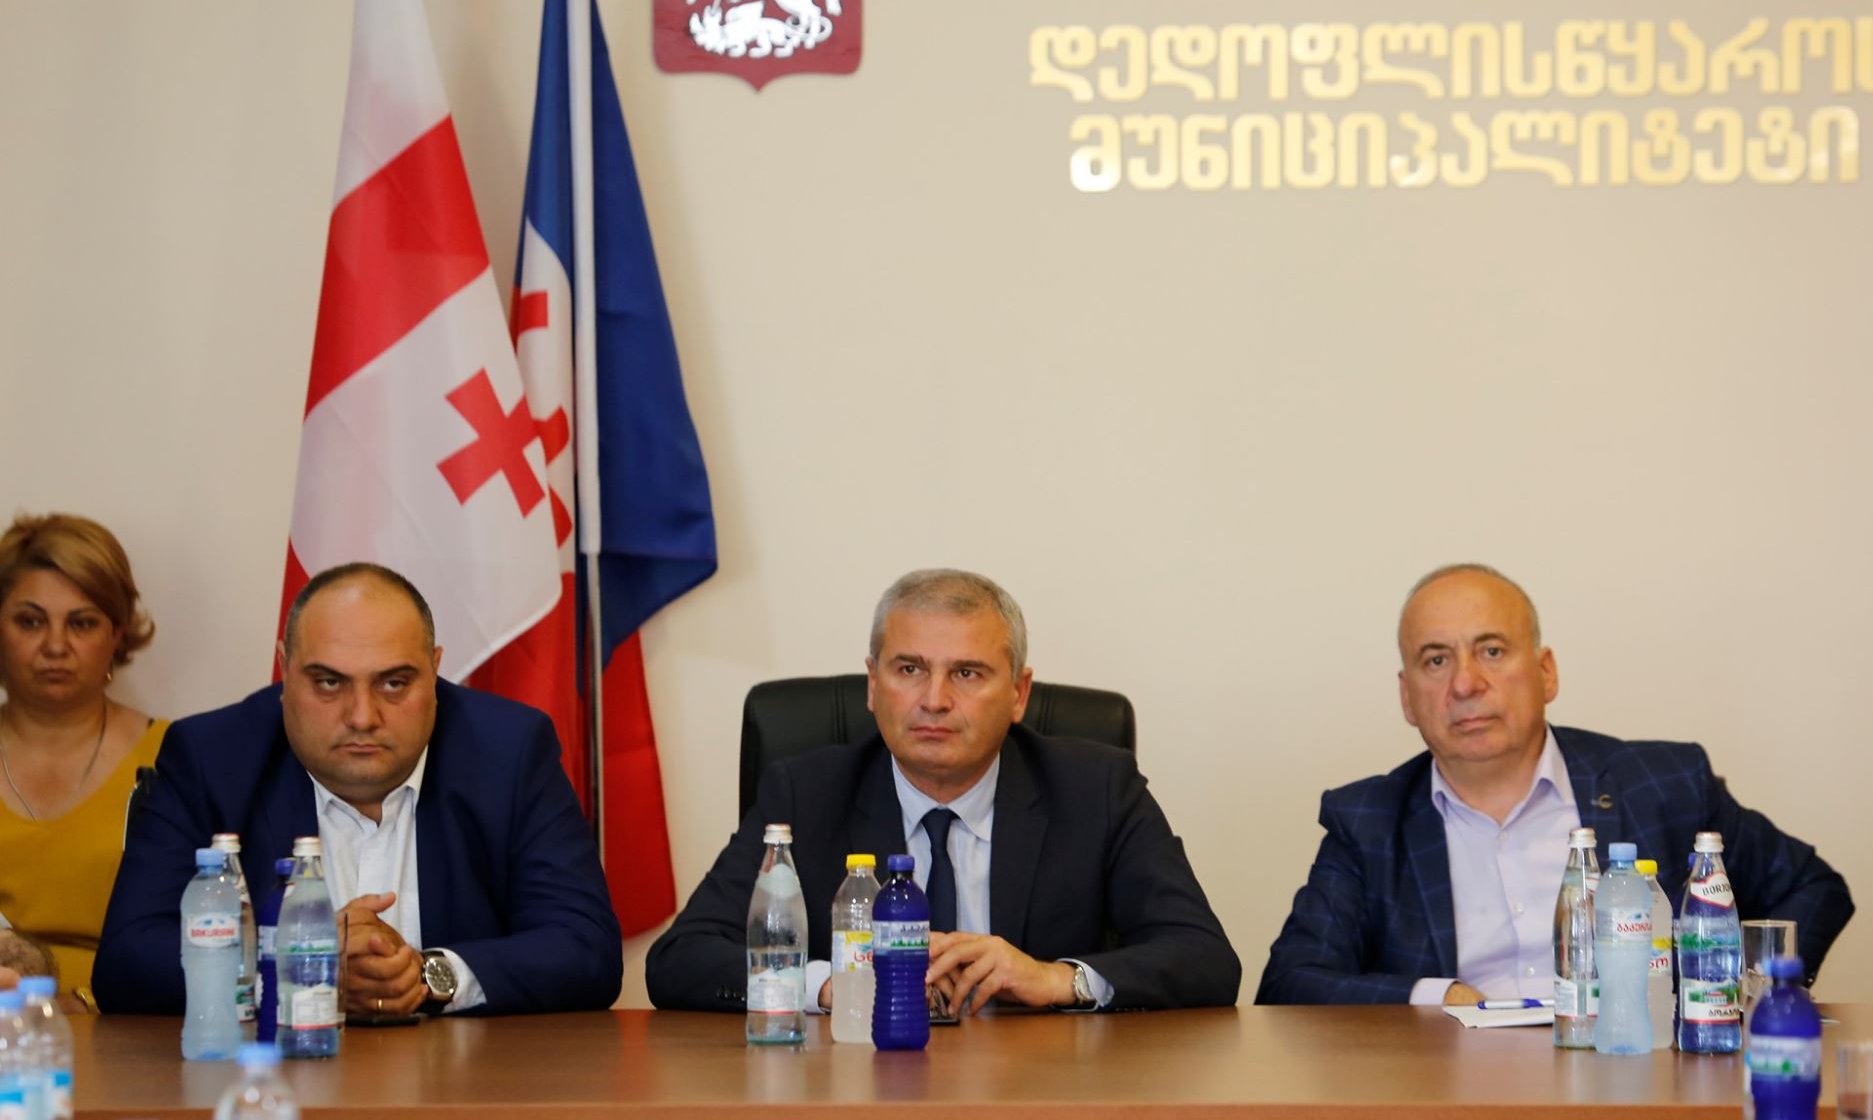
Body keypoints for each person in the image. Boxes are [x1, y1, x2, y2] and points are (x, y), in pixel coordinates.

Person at [1258, 563, 1854, 1006]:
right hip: (1455, 1097)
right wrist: (1438, 998)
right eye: (1436, 660)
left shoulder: (1664, 785)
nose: (1465, 684)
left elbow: (1813, 888)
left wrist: (1743, 991)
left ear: (1546, 673)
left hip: (1641, 1088)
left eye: (1492, 651)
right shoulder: (1370, 821)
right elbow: (1291, 981)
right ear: (1407, 697)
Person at [648, 568, 1239, 1014]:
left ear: (1019, 694)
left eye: (966, 673)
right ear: (872, 684)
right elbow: (682, 958)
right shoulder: (805, 794)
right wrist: (833, 985)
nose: (934, 700)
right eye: (909, 670)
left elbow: (1205, 957)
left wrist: (1057, 978)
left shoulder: (1098, 789)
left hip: (1040, 1092)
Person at [95, 563, 620, 1017]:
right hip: (274, 1080)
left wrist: (425, 976)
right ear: (285, 670)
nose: (363, 717)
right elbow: (127, 960)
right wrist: (301, 967)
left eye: (394, 683)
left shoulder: (509, 752)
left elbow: (585, 947)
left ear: (435, 671)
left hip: (462, 1083)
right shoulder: (211, 758)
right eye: (329, 682)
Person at [0, 513, 167, 1004]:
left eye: (82, 623)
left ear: (117, 633)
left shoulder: (177, 758)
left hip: (130, 1027)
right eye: (30, 621)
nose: (55, 646)